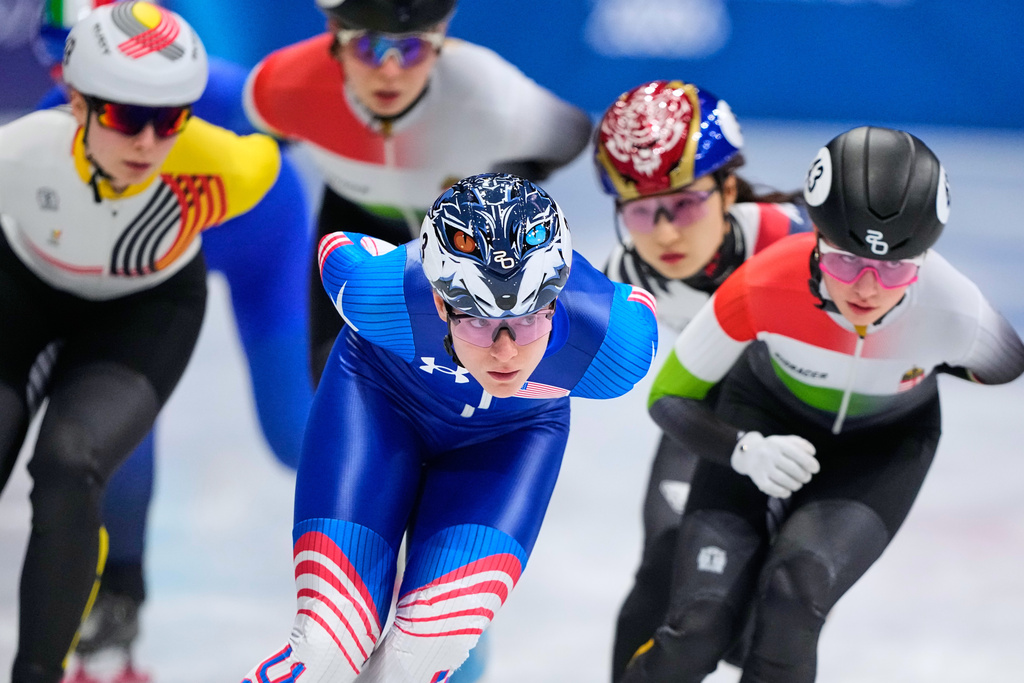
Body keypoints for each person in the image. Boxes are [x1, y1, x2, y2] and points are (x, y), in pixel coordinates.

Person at [620, 126, 1024, 683]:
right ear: (815, 236)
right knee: (699, 626)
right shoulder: (762, 283)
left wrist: (914, 365)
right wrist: (740, 449)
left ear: (925, 260)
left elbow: (1004, 366)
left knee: (791, 601)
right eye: (843, 263)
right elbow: (667, 398)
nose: (866, 289)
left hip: (880, 450)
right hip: (762, 420)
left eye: (895, 271)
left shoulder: (958, 311)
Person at [243, 173, 658, 683]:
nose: (505, 351)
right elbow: (341, 247)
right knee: (329, 643)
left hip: (510, 439)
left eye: (528, 320)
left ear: (555, 301)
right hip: (381, 403)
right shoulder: (383, 295)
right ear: (439, 303)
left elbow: (640, 303)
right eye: (478, 322)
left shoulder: (610, 350)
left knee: (424, 653)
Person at [30, 3, 315, 677]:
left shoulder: (212, 88)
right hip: (148, 255)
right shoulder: (45, 133)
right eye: (61, 73)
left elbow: (311, 112)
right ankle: (119, 590)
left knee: (290, 431)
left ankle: (398, 519)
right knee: (112, 410)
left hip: (258, 238)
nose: (81, 106)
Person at [243, 0, 593, 380]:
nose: (390, 71)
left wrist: (495, 182)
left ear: (440, 39)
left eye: (411, 49)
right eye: (368, 48)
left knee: (480, 385)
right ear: (335, 38)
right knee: (337, 376)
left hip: (471, 239)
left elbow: (571, 137)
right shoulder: (282, 86)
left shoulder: (492, 97)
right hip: (354, 219)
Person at [593, 80, 808, 681]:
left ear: (728, 189)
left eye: (684, 203)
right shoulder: (624, 271)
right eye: (638, 210)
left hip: (807, 423)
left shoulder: (799, 246)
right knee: (665, 577)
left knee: (772, 608)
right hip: (710, 414)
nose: (663, 233)